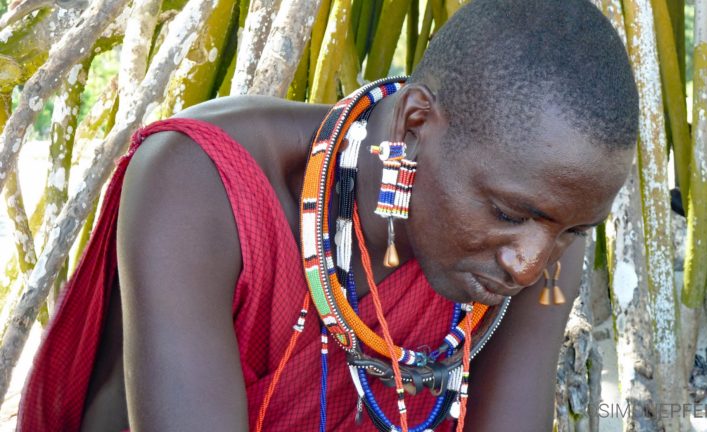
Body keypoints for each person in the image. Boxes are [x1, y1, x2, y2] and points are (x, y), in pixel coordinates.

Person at [18, 0, 639, 430]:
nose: (531, 265)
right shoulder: (197, 185)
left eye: (574, 231)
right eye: (506, 212)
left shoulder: (548, 223)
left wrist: (550, 227)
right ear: (417, 124)